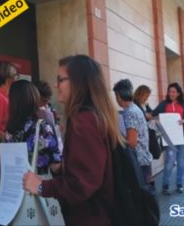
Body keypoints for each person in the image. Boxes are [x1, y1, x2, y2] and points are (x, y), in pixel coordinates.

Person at [23, 55, 124, 226]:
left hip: (90, 217)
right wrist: (64, 167)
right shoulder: (93, 116)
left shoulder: (84, 121)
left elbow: (82, 184)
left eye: (60, 79)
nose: (56, 85)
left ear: (78, 82)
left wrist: (41, 186)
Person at [4, 80, 61, 174]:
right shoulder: (41, 127)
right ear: (33, 98)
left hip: (16, 183)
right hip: (38, 183)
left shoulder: (10, 130)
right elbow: (56, 162)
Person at [150, 82, 184, 195]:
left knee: (181, 162)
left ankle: (179, 184)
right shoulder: (164, 104)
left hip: (182, 138)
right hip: (169, 139)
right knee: (169, 162)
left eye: (174, 92)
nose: (171, 94)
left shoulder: (183, 104)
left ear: (178, 93)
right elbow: (153, 114)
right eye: (170, 91)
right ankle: (165, 185)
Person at [113, 79, 153, 187]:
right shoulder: (135, 108)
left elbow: (132, 142)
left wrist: (116, 135)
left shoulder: (130, 113)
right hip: (143, 161)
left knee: (141, 199)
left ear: (119, 96)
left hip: (138, 163)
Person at [0, 61, 18, 192]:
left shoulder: (6, 96)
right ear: (8, 78)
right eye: (15, 75)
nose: (17, 78)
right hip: (1, 155)